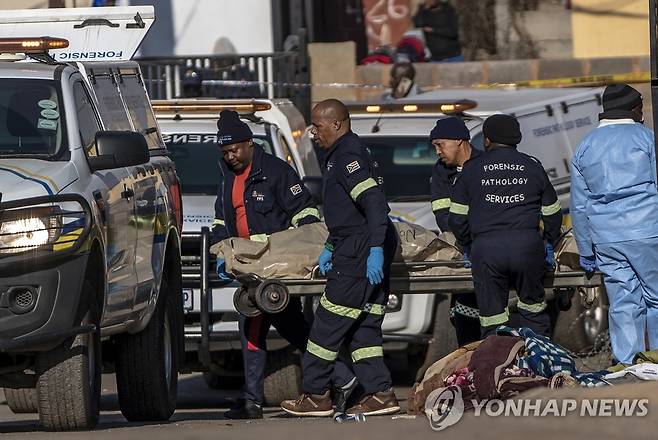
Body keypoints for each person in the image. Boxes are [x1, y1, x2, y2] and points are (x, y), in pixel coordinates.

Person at [211, 110, 355, 418]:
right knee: (273, 329)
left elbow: (305, 214)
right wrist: (223, 253)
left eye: (235, 149)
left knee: (281, 329)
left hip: (276, 267)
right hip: (249, 269)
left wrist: (302, 250)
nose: (231, 156)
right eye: (225, 151)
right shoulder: (226, 176)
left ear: (249, 144)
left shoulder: (277, 172)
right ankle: (341, 380)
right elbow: (222, 219)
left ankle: (342, 380)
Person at [281, 99, 400, 417]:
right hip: (356, 244)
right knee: (364, 327)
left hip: (360, 250)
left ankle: (317, 394)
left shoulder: (348, 156)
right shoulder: (342, 154)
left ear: (337, 124)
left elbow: (374, 203)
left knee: (326, 325)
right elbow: (349, 213)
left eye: (317, 126)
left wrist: (373, 248)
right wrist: (332, 245)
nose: (313, 133)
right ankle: (380, 393)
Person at [448, 114, 562, 337]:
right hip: (527, 248)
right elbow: (552, 212)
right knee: (533, 309)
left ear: (487, 140)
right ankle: (539, 362)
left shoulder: (471, 169)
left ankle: (496, 364)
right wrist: (549, 241)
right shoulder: (533, 166)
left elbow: (457, 218)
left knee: (493, 317)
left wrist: (467, 245)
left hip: (487, 250)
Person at [570, 84, 658, 365]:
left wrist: (585, 249)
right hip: (647, 230)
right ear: (633, 108)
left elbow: (580, 204)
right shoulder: (647, 138)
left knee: (622, 302)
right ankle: (655, 359)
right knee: (656, 298)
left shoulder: (585, 146)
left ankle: (626, 364)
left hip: (605, 238)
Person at [429, 116, 482, 345]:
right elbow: (443, 215)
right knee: (463, 315)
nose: (438, 151)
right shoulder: (441, 172)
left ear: (459, 141)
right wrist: (465, 240)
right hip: (462, 252)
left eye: (440, 144)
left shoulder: (485, 163)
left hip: (490, 249)